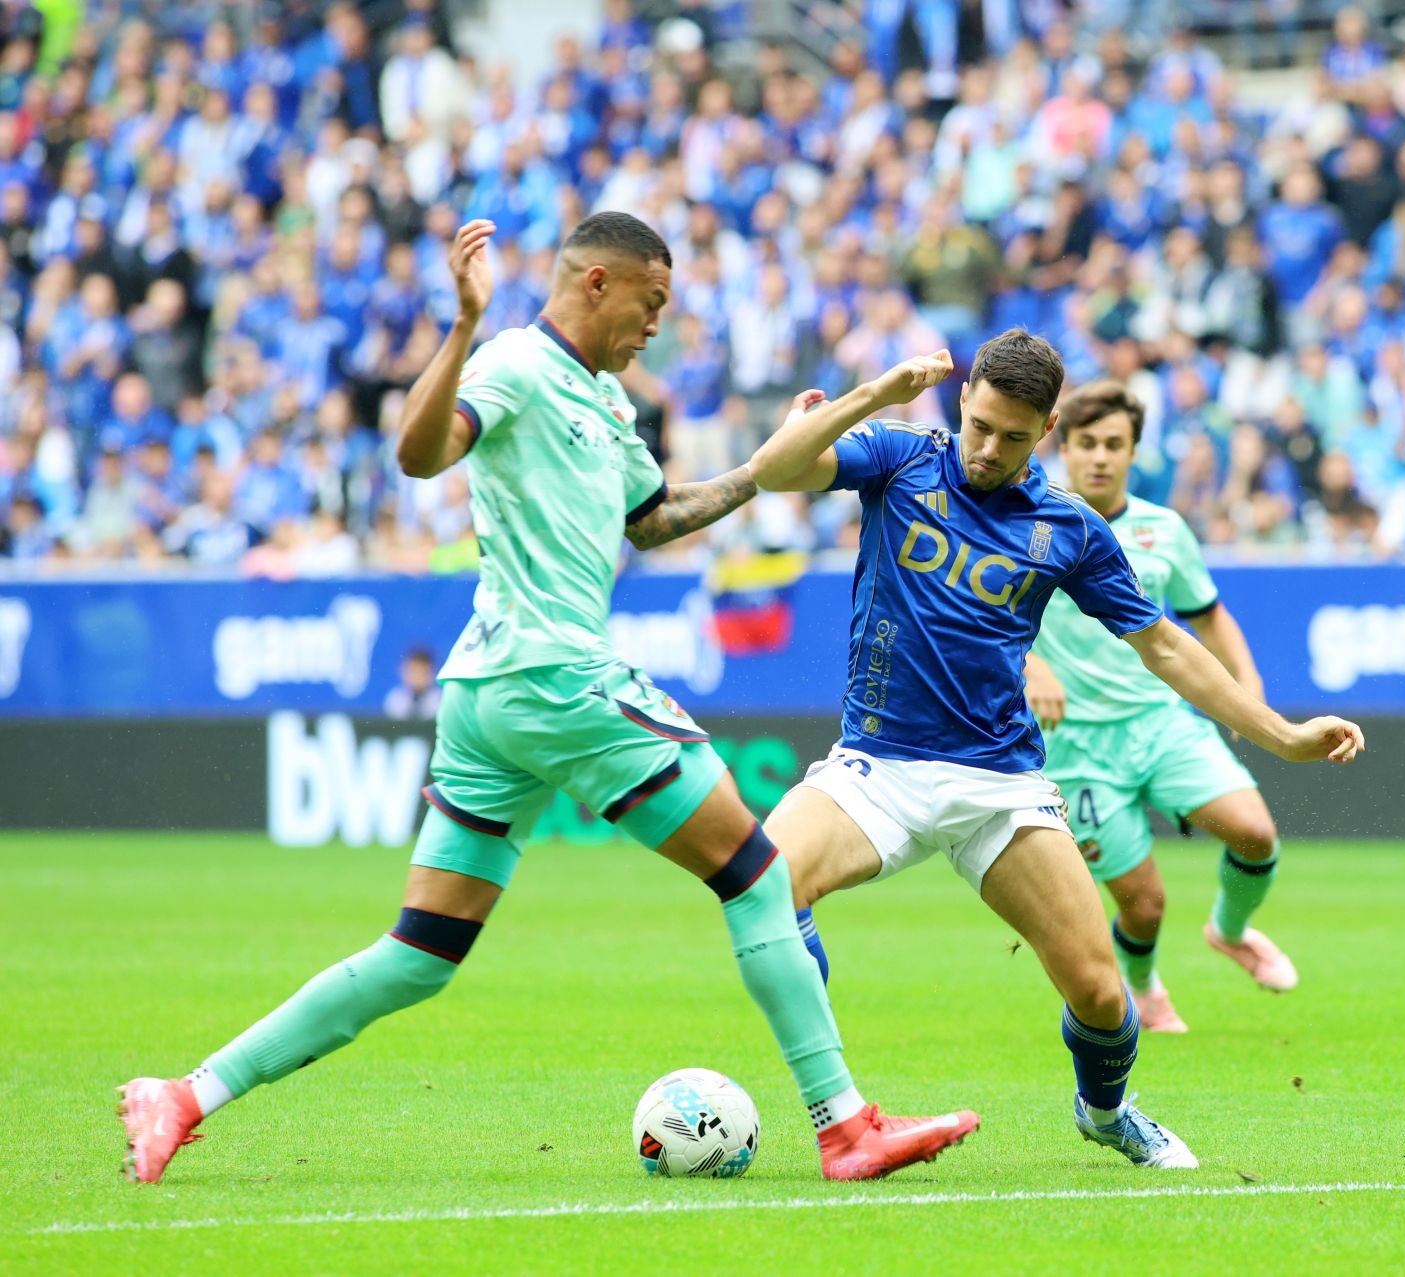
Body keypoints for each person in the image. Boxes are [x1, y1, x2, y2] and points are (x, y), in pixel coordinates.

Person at [116, 213, 977, 1185]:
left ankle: (185, 1092)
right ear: (598, 283)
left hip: (491, 697)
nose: (658, 325)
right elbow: (419, 452)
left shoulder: (609, 406)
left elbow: (655, 520)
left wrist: (760, 463)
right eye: (650, 304)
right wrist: (462, 327)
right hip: (549, 672)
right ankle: (844, 1123)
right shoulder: (516, 365)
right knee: (753, 871)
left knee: (421, 951)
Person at [749, 330, 1365, 1170]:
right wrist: (870, 395)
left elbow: (1170, 647)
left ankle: (1106, 1112)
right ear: (962, 401)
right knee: (764, 884)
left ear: (1045, 434)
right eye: (980, 426)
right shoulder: (898, 457)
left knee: (1104, 995)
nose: (988, 450)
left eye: (1013, 436)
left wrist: (1282, 733)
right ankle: (842, 1116)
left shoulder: (1067, 526)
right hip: (878, 764)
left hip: (999, 781)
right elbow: (776, 471)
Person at [1021, 381, 1294, 1035]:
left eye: (1114, 444)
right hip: (1077, 745)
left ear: (1134, 451)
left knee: (1255, 833)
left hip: (1161, 722)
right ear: (1064, 447)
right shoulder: (1030, 524)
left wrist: (1246, 688)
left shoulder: (1164, 529)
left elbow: (1209, 615)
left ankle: (1230, 930)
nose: (1099, 457)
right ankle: (1143, 983)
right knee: (1143, 906)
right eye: (1086, 443)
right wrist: (1031, 663)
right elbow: (985, 618)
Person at [383, 646, 443, 719]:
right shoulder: (395, 698)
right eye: (413, 671)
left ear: (432, 672)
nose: (417, 676)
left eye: (422, 672)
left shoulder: (440, 699)